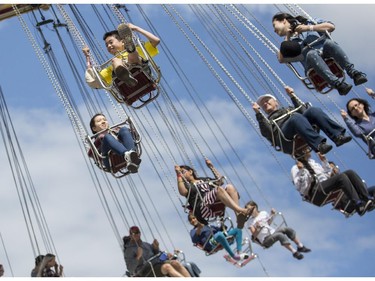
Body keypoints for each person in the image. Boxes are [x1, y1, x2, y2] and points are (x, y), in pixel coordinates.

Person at [272, 12, 367, 96]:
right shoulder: (289, 44)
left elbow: (331, 27)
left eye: (274, 25)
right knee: (311, 54)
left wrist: (307, 28)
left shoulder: (310, 22)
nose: (274, 30)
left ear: (283, 21)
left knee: (329, 43)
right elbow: (281, 59)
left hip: (327, 54)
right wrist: (288, 37)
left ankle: (354, 73)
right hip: (312, 65)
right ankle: (338, 85)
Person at [252, 85, 352, 156]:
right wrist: (258, 114)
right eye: (262, 104)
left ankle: (338, 136)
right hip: (285, 139)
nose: (265, 103)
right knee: (295, 117)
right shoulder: (266, 121)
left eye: (267, 100)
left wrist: (292, 96)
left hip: (300, 124)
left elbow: (303, 111)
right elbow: (267, 133)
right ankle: (319, 145)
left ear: (276, 102)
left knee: (313, 110)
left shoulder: (288, 109)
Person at [291, 149, 373, 216]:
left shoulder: (313, 163)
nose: (309, 150)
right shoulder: (295, 168)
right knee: (341, 177)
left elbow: (327, 175)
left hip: (325, 185)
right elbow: (300, 188)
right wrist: (301, 171)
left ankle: (367, 199)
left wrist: (324, 161)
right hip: (315, 191)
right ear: (302, 152)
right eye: (307, 149)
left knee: (350, 173)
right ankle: (358, 204)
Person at [175, 159, 251, 229]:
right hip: (202, 208)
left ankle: (238, 216)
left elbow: (220, 181)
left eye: (183, 172)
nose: (182, 174)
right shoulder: (187, 186)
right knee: (218, 190)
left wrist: (211, 166)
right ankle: (240, 210)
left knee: (230, 187)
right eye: (180, 174)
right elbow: (183, 192)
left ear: (190, 172)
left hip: (214, 203)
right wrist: (178, 175)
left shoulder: (203, 179)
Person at [83, 23, 160, 89]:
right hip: (127, 83)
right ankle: (125, 76)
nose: (109, 46)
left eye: (111, 42)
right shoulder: (111, 67)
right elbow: (94, 82)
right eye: (107, 45)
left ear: (122, 42)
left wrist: (136, 28)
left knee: (132, 54)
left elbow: (156, 41)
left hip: (141, 70)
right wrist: (87, 57)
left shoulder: (139, 50)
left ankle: (130, 49)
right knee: (115, 61)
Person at [245, 201, 311, 260]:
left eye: (251, 209)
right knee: (279, 235)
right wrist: (258, 228)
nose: (250, 212)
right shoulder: (250, 222)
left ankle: (300, 246)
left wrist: (272, 214)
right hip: (265, 240)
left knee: (287, 229)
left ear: (255, 207)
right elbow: (254, 236)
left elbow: (268, 223)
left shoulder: (263, 213)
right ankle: (294, 252)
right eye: (248, 211)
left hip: (272, 232)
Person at [123, 226, 191, 277]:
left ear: (140, 233)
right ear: (130, 235)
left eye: (137, 232)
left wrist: (156, 248)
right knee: (167, 267)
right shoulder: (129, 251)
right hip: (145, 272)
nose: (135, 235)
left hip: (157, 264)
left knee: (175, 263)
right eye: (133, 233)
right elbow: (130, 269)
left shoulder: (146, 244)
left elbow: (157, 254)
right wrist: (138, 257)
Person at [340, 94, 375, 158]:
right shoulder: (358, 126)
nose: (355, 108)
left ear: (362, 105)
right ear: (352, 114)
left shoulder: (373, 115)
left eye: (356, 105)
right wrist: (346, 118)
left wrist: (373, 94)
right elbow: (357, 133)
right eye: (352, 109)